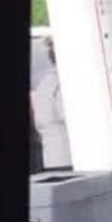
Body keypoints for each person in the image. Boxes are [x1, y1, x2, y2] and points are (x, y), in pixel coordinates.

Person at [31, 38, 72, 169]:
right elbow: (69, 117)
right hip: (68, 156)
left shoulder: (44, 84)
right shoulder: (63, 83)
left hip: (51, 158)